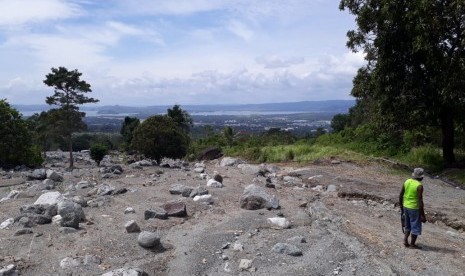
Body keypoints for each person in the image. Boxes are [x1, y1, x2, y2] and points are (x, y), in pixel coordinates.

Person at [399, 168, 427, 249]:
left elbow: (401, 194)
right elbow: (420, 202)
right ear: (421, 177)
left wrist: (401, 205)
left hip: (406, 206)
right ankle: (412, 244)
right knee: (415, 226)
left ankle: (405, 240)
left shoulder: (407, 181)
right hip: (414, 208)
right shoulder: (419, 186)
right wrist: (423, 215)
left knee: (407, 224)